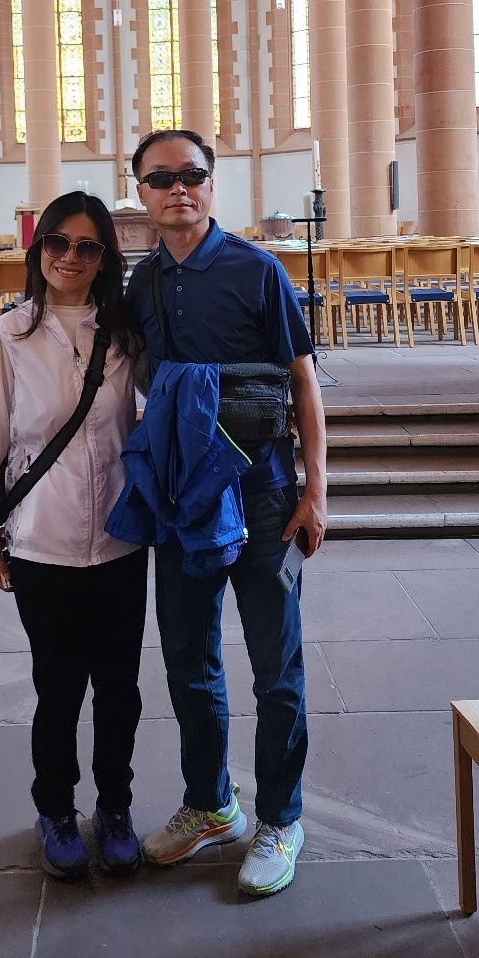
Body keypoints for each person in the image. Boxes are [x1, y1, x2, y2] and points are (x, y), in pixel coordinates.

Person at [123, 129, 327, 898]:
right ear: (140, 192)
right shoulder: (142, 283)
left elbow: (302, 379)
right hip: (183, 495)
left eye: (192, 174)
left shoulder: (256, 269)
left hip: (264, 491)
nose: (178, 188)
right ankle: (210, 803)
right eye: (161, 177)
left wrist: (316, 489)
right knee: (187, 659)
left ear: (211, 183)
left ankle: (280, 818)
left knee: (276, 667)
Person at [0, 191, 147, 881]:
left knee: (120, 688)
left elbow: (155, 413)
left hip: (119, 539)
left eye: (87, 246)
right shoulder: (9, 335)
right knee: (59, 686)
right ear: (37, 246)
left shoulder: (124, 333)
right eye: (58, 242)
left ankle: (115, 809)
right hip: (42, 541)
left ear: (104, 258)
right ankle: (55, 810)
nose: (70, 256)